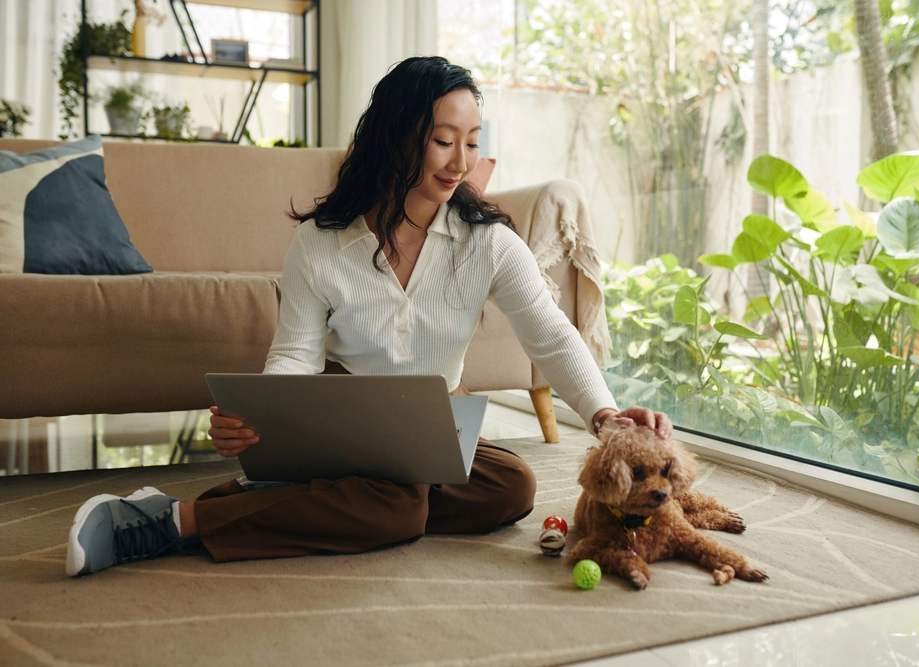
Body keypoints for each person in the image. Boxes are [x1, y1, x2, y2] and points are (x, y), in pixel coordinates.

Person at [65, 56, 673, 577]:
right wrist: (264, 421)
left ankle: (329, 500)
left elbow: (551, 335)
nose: (461, 161)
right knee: (400, 508)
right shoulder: (321, 242)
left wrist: (607, 418)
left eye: (473, 140)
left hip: (430, 427)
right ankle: (170, 520)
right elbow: (296, 355)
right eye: (443, 139)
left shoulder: (488, 242)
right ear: (397, 135)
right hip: (344, 420)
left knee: (511, 487)